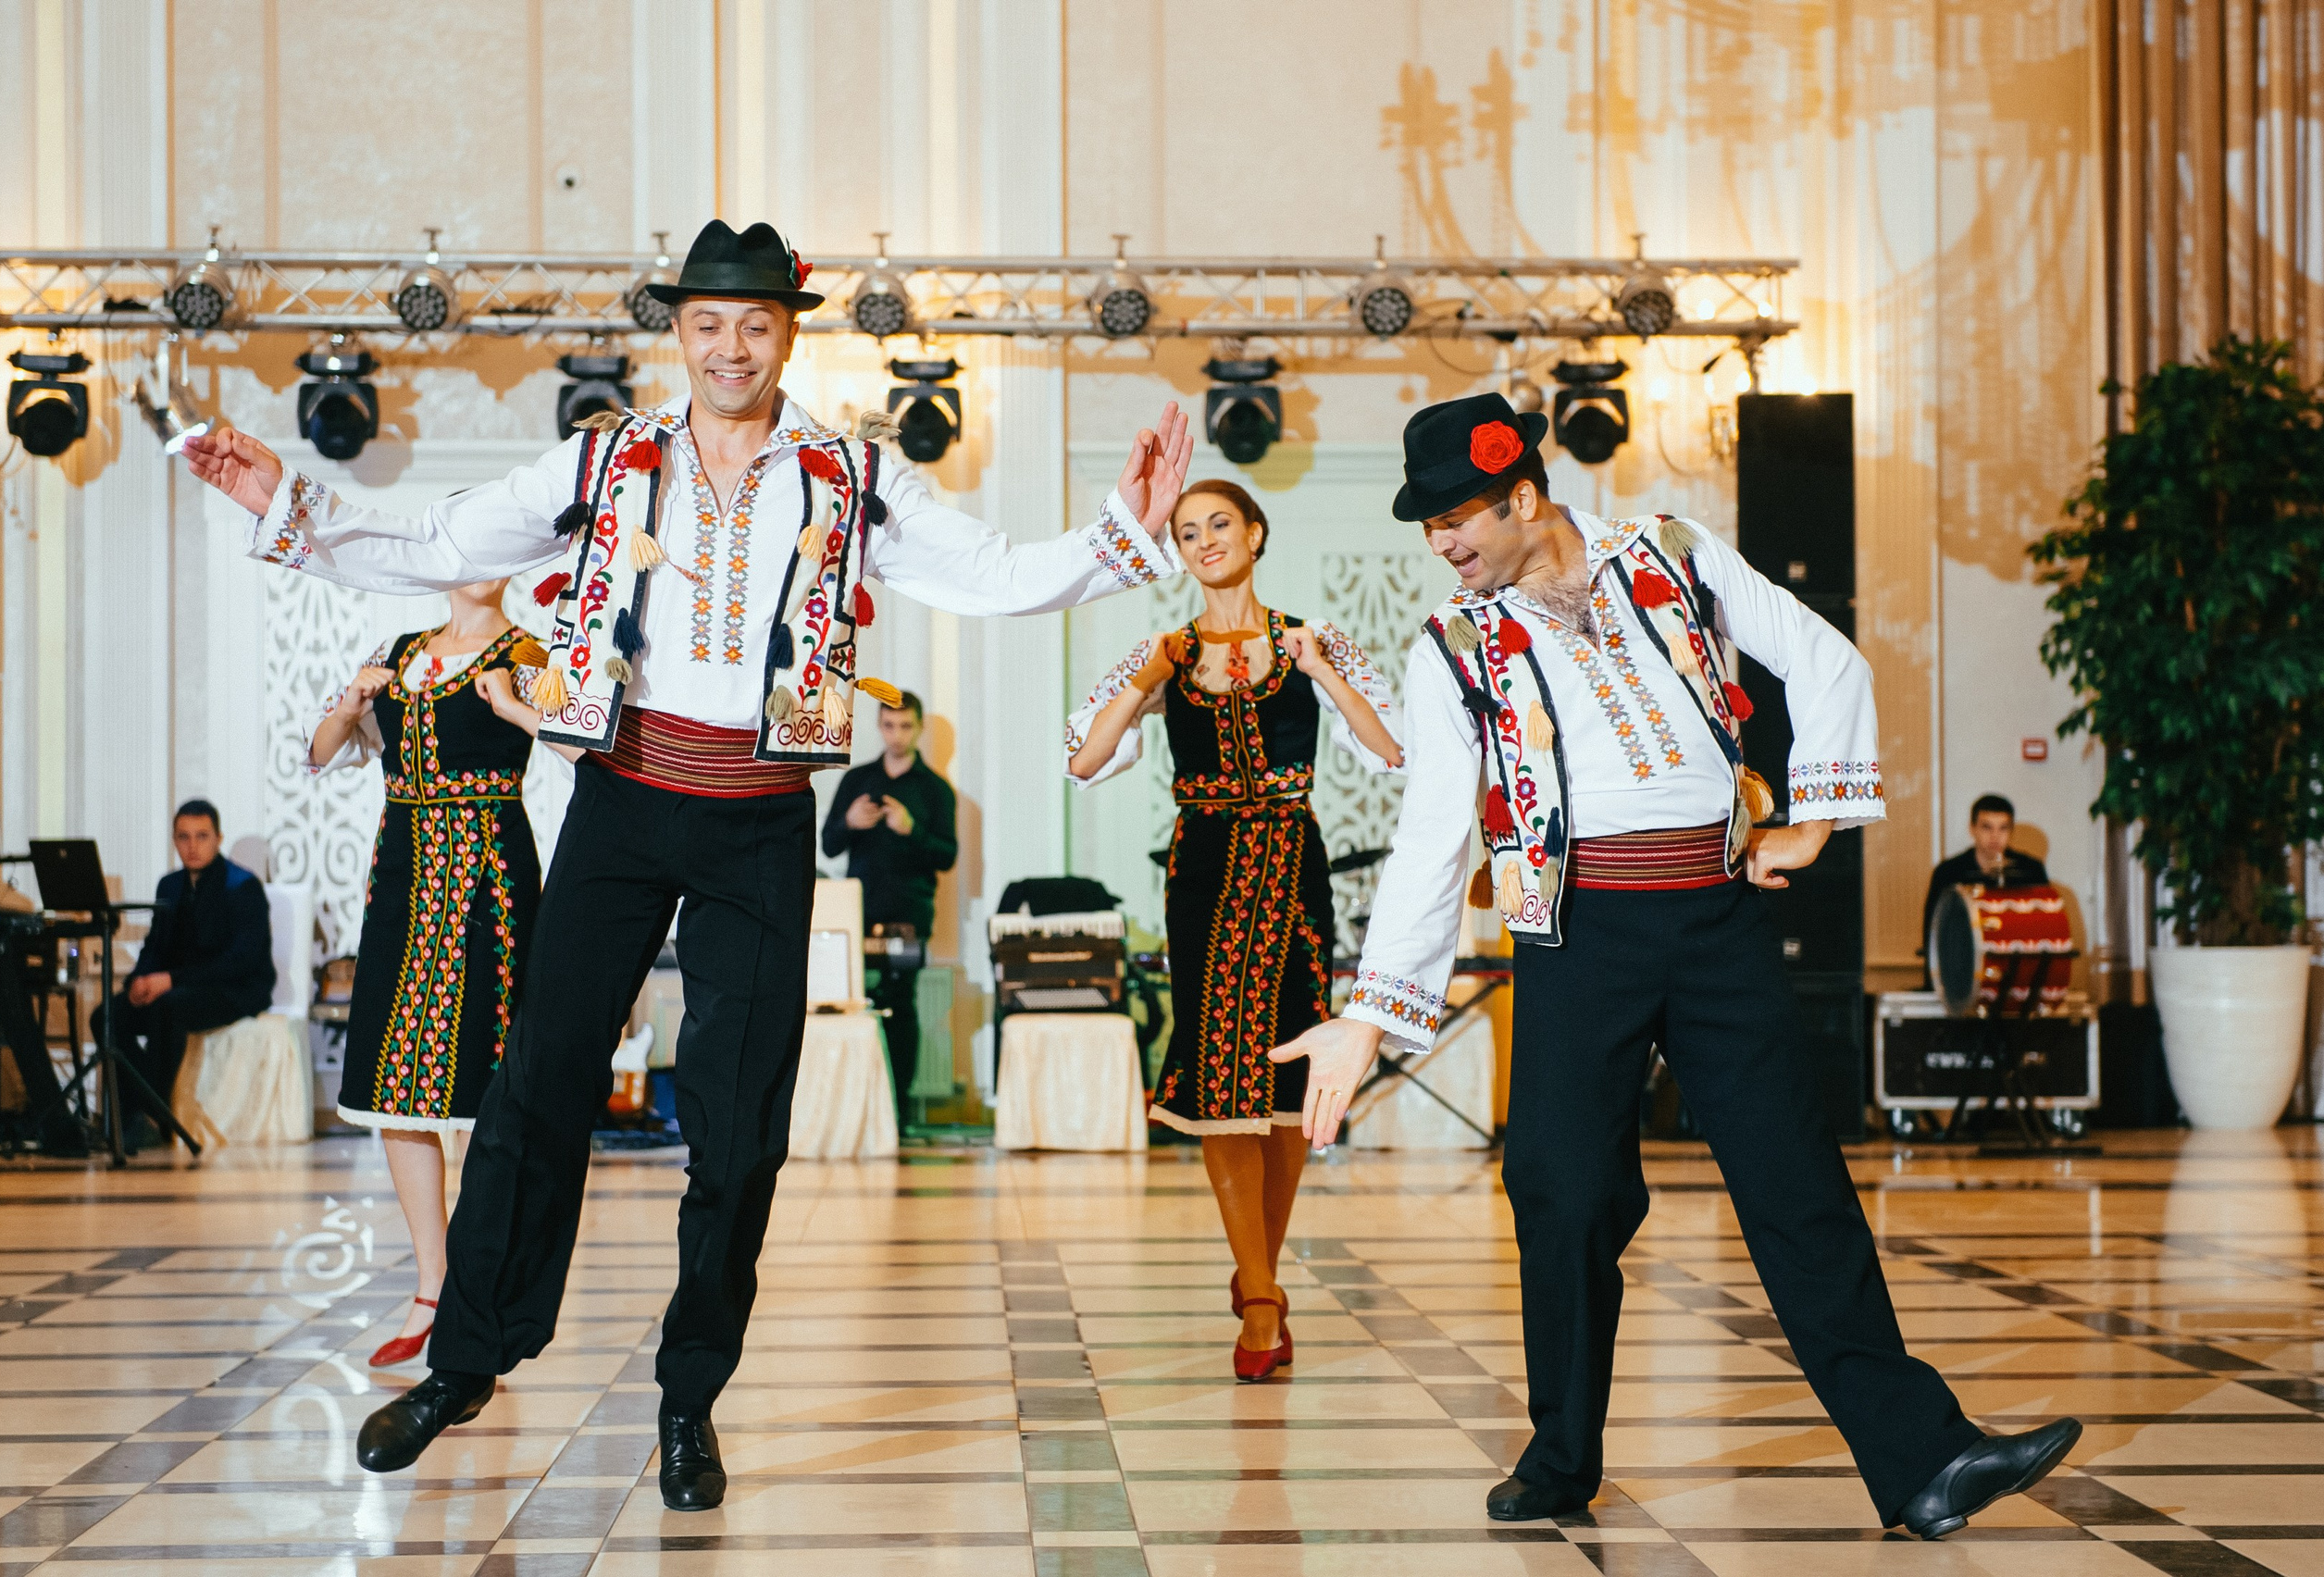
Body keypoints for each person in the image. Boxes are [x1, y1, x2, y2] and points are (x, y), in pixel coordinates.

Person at [183, 218, 1192, 1509]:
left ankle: (687, 1399)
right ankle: (466, 1358)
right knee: (536, 1084)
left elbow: (989, 572)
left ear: (787, 333)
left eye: (756, 324)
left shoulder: (849, 473)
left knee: (739, 1134)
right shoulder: (606, 458)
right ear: (679, 333)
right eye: (708, 324)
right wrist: (287, 504)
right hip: (620, 805)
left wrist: (1120, 530)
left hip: (760, 819)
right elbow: (445, 540)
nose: (731, 346)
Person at [1269, 393, 2081, 1537]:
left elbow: (1818, 650)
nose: (1444, 544)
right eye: (1428, 525)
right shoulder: (1451, 647)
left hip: (1716, 918)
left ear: (1523, 497)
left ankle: (1923, 1461)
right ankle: (1560, 1456)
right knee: (1564, 1193)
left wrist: (1817, 816)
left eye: (1459, 517)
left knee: (1796, 1182)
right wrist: (1373, 1012)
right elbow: (1433, 831)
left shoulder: (1674, 552)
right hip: (1575, 931)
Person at [1066, 479, 1400, 1382]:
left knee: (1290, 1071)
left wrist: (1323, 668)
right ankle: (1259, 1296)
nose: (1204, 540)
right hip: (1204, 870)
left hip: (1292, 864)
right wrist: (1142, 679)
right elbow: (1086, 759)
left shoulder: (1311, 639)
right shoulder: (1165, 651)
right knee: (1219, 1074)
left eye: (1219, 524)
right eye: (1186, 532)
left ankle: (1259, 1278)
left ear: (1255, 533)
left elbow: (1391, 748)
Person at [305, 577, 570, 1370]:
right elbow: (318, 754)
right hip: (403, 873)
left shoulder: (526, 654)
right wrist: (351, 706)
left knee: (493, 1081)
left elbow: (584, 749)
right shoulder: (396, 655)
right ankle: (432, 1278)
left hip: (487, 872)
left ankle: (484, 1281)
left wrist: (516, 707)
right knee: (396, 1081)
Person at [93, 801, 276, 1150]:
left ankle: (151, 1117)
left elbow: (241, 961)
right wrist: (139, 980)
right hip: (179, 985)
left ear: (219, 838)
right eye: (183, 837)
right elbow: (155, 946)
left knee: (169, 1007)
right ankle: (126, 1117)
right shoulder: (170, 885)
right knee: (106, 1016)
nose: (192, 846)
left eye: (202, 836)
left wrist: (170, 981)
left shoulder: (242, 886)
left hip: (235, 988)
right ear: (174, 840)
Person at [820, 692, 957, 1119]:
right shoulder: (857, 780)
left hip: (909, 916)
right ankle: (859, 1111)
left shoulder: (935, 789)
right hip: (857, 913)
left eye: (905, 726)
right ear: (879, 726)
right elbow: (827, 844)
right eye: (889, 725)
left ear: (918, 728)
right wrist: (849, 822)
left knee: (901, 1005)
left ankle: (896, 1112)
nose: (897, 735)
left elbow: (947, 857)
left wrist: (911, 830)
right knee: (852, 1007)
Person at [1920, 793, 2050, 981]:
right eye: (1986, 827)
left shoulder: (2031, 870)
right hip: (1962, 969)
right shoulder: (1948, 872)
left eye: (2003, 828)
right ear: (1972, 829)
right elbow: (1932, 932)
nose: (1995, 836)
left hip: (2016, 970)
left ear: (2011, 831)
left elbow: (2044, 926)